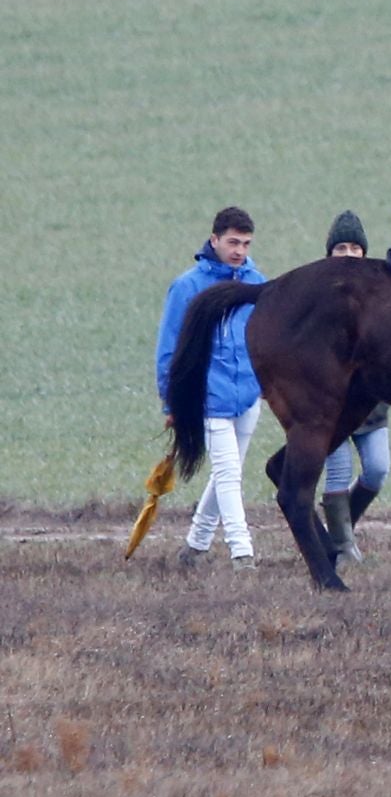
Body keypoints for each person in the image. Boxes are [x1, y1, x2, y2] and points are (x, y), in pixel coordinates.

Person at [156, 207, 267, 570]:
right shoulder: (187, 286)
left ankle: (195, 545)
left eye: (246, 243)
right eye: (233, 242)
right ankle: (242, 553)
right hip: (208, 396)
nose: (239, 250)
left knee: (227, 472)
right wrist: (170, 402)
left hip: (248, 395)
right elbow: (169, 349)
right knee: (229, 473)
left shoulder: (256, 282)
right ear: (214, 239)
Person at [318, 211, 391, 563]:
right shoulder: (314, 297)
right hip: (330, 407)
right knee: (338, 470)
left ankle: (339, 532)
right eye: (341, 247)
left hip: (371, 407)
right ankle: (344, 548)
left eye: (355, 248)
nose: (348, 254)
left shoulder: (381, 297)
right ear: (329, 254)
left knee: (377, 469)